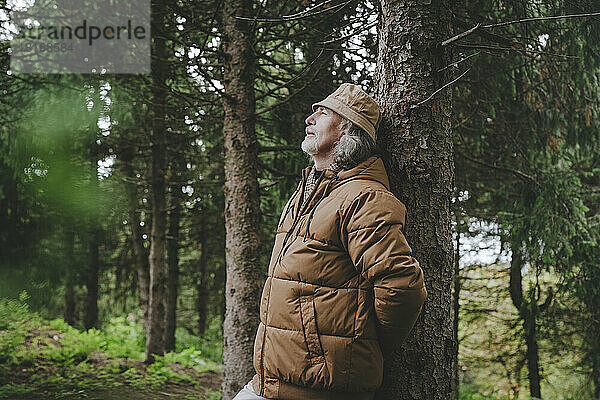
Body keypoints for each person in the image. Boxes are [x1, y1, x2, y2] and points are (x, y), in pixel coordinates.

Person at [233, 83, 427, 400]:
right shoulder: (311, 193)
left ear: (347, 130)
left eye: (322, 112)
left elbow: (402, 286)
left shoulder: (364, 197)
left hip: (320, 389)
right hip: (273, 383)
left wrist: (366, 342)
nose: (310, 118)